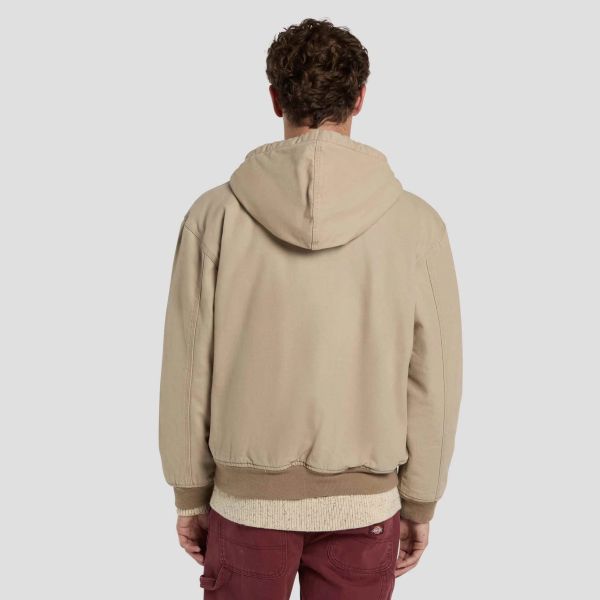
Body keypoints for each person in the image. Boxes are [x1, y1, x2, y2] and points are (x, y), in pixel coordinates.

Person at [159, 17, 463, 599]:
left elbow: (188, 367)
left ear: (275, 98)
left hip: (246, 507)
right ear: (360, 98)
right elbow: (434, 378)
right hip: (366, 507)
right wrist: (421, 497)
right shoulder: (416, 225)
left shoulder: (214, 217)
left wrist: (189, 493)